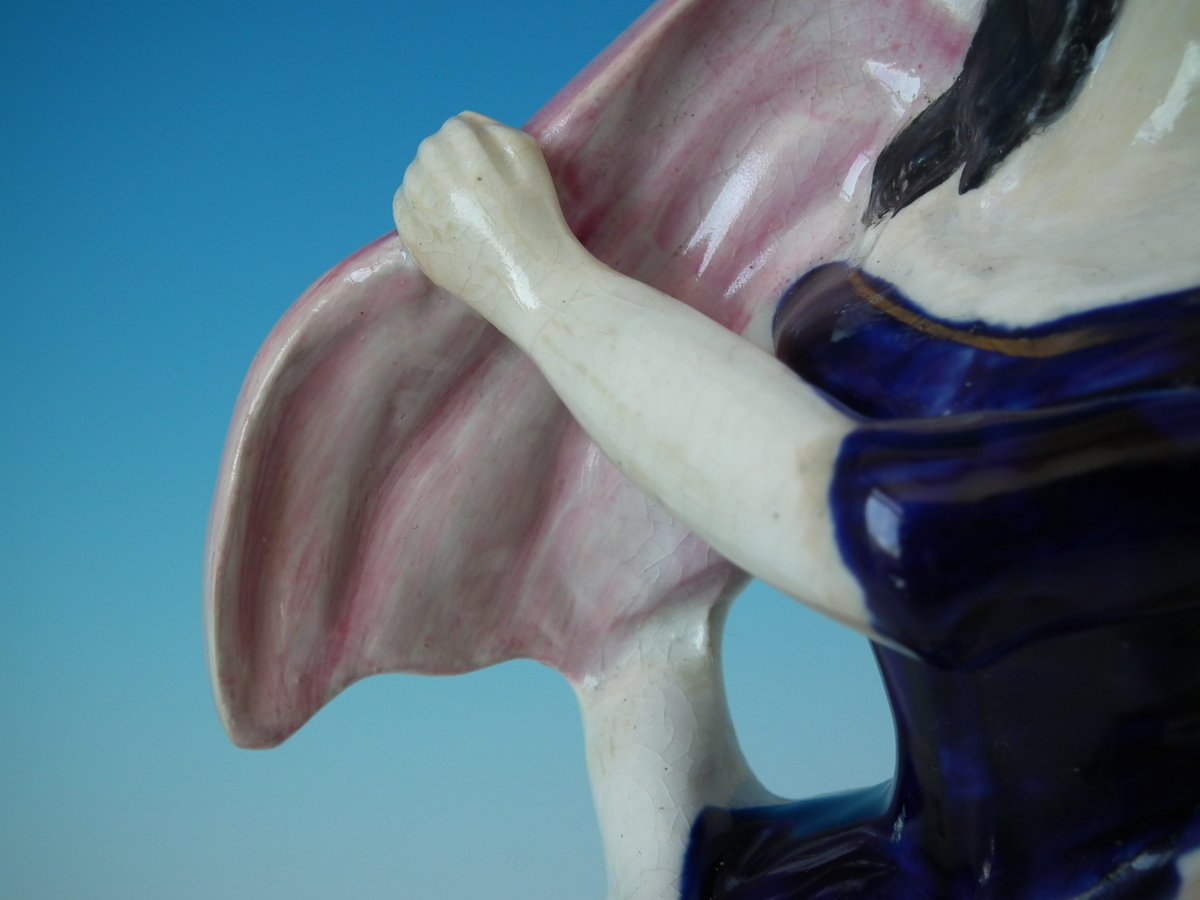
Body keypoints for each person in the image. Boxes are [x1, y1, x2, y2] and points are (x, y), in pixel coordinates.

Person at [393, 0, 1200, 896]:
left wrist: (535, 279)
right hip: (916, 856)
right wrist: (638, 654)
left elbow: (911, 542)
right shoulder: (947, 166)